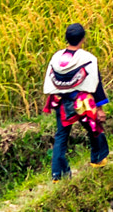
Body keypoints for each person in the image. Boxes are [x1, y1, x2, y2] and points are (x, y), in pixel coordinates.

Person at [44, 22, 108, 180]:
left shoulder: (56, 58)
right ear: (83, 39)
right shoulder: (88, 58)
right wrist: (99, 107)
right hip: (82, 102)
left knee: (61, 136)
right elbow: (96, 82)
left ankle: (58, 174)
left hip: (61, 101)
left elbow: (50, 81)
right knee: (94, 129)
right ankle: (98, 159)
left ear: (66, 38)